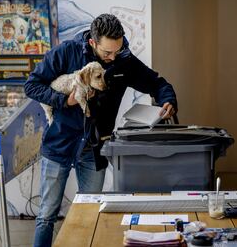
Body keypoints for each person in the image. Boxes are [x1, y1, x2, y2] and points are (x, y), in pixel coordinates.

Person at [24, 13, 177, 247]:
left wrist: (168, 100)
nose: (112, 57)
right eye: (107, 53)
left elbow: (157, 83)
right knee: (46, 216)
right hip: (59, 144)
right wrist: (65, 101)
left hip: (94, 147)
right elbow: (32, 86)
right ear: (93, 42)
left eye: (117, 50)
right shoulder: (67, 52)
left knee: (92, 212)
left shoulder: (123, 60)